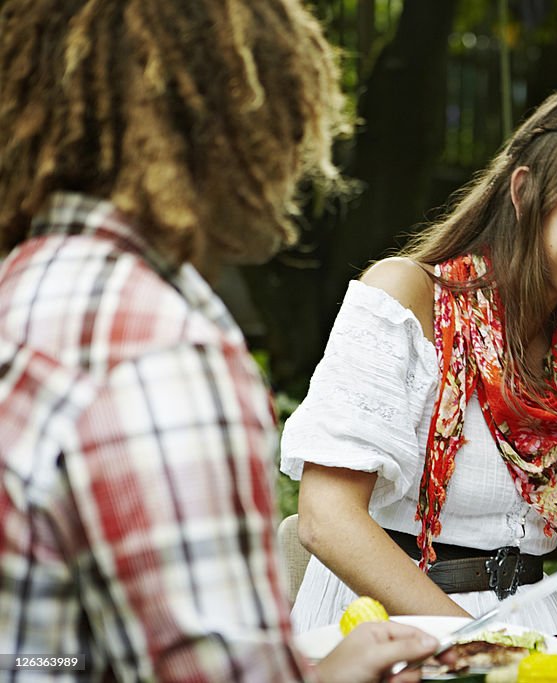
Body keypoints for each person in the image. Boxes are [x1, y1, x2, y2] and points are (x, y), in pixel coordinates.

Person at [0, 1, 437, 680]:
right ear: (231, 123)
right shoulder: (163, 351)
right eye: (288, 118)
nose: (299, 159)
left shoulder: (25, 285)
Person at [280, 88, 557, 634]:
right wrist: (482, 649)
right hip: (391, 626)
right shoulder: (408, 297)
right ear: (525, 189)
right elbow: (327, 520)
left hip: (536, 626)